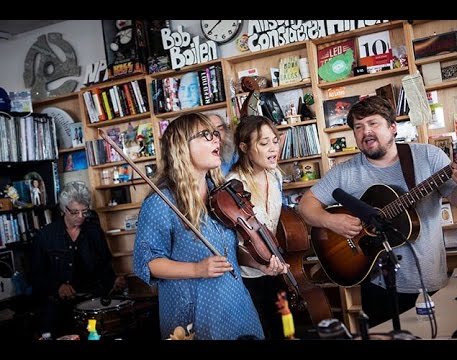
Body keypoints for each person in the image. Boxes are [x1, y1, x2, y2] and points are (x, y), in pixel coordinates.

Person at [298, 95, 457, 327]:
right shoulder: (346, 171)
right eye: (358, 127)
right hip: (376, 283)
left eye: (373, 123)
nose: (366, 132)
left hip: (428, 279)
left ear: (393, 127)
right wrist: (331, 222)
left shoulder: (428, 156)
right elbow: (306, 204)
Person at [133, 112, 277, 340]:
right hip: (195, 314)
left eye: (216, 134)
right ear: (181, 146)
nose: (216, 139)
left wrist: (259, 264)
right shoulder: (161, 203)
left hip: (236, 307)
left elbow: (226, 254)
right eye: (205, 135)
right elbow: (147, 263)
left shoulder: (221, 195)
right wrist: (197, 269)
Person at [31, 182, 125, 339]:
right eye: (75, 212)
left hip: (91, 304)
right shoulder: (45, 236)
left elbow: (104, 266)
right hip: (58, 309)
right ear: (63, 209)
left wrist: (114, 281)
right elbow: (36, 276)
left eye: (84, 212)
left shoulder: (94, 231)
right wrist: (58, 287)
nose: (81, 217)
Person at [225, 115, 288, 339]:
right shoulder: (233, 185)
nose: (273, 148)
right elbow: (229, 242)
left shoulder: (275, 175)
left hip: (275, 270)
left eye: (274, 140)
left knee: (285, 331)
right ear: (244, 147)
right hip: (248, 277)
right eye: (263, 143)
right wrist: (260, 265)